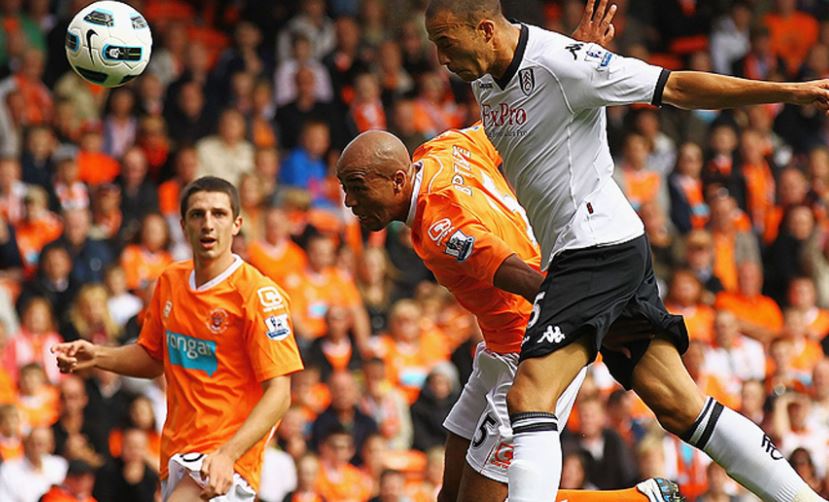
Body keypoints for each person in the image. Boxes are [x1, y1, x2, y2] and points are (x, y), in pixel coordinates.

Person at [421, 0, 829, 500]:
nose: (441, 58)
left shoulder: (564, 65)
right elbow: (538, 126)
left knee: (529, 395)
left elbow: (675, 86)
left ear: (484, 30)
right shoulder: (488, 79)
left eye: (445, 43)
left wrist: (792, 92)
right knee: (683, 408)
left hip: (593, 249)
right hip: (603, 251)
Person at [51, 176, 304, 501]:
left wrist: (228, 454)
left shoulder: (259, 295)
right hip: (177, 452)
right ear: (183, 225)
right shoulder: (171, 280)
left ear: (237, 223)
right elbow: (154, 357)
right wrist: (98, 355)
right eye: (198, 215)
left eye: (219, 214)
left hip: (223, 457)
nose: (208, 224)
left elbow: (280, 394)